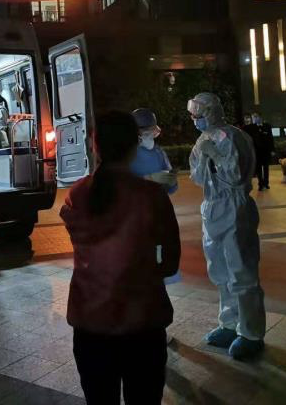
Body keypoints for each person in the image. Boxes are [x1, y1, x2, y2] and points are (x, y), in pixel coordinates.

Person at [61, 111, 181, 405]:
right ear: (134, 145)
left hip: (90, 323)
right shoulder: (151, 195)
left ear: (95, 145)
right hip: (143, 322)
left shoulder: (78, 194)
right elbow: (170, 263)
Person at [187, 93, 266, 360]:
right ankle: (229, 323)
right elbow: (198, 176)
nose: (195, 120)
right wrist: (205, 158)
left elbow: (236, 175)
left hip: (235, 207)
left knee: (241, 270)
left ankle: (251, 332)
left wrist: (216, 156)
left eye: (198, 115)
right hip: (212, 208)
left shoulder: (232, 136)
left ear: (211, 113)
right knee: (219, 271)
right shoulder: (203, 139)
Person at [130, 108, 178, 194]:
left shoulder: (159, 153)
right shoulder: (124, 154)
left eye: (151, 130)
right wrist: (148, 178)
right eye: (145, 133)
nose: (149, 135)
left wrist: (172, 182)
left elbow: (171, 188)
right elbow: (119, 185)